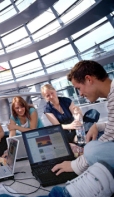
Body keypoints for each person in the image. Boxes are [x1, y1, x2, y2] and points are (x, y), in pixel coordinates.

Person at [43, 60, 114, 196]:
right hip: (67, 131)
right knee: (93, 139)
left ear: (88, 79)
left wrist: (73, 165)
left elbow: (107, 140)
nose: (80, 94)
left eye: (79, 88)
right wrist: (97, 126)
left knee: (91, 148)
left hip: (77, 130)